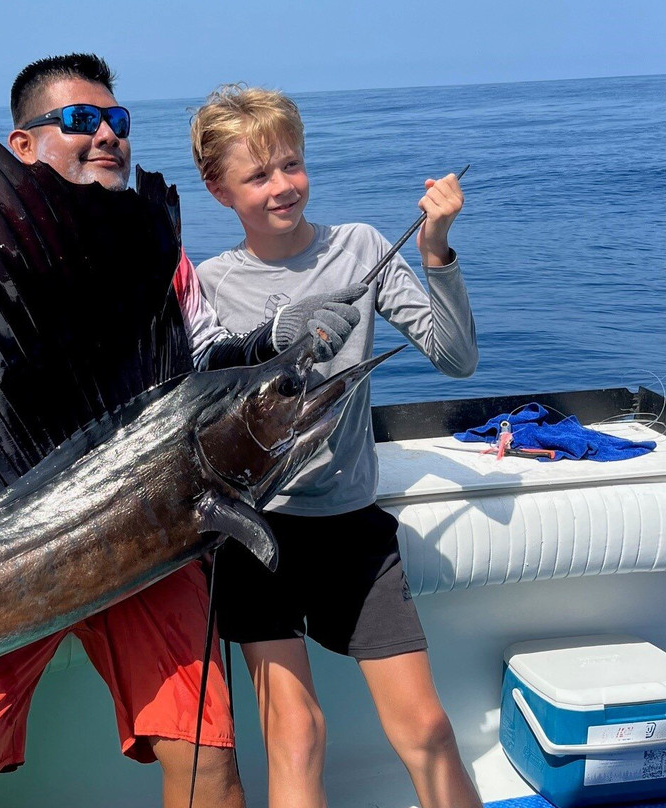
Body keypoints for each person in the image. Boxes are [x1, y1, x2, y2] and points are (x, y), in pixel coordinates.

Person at [0, 55, 359, 808]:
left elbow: (206, 366)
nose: (107, 134)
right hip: (4, 556)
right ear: (23, 145)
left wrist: (276, 336)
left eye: (118, 121)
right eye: (81, 121)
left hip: (147, 538)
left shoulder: (163, 260)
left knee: (209, 756)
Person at [189, 85, 482, 808]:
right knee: (296, 732)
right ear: (218, 188)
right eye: (258, 175)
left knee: (429, 727)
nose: (282, 186)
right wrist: (279, 336)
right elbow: (205, 389)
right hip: (256, 534)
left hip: (352, 530)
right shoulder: (210, 283)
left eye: (291, 164)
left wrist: (437, 251)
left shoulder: (358, 246)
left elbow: (456, 358)